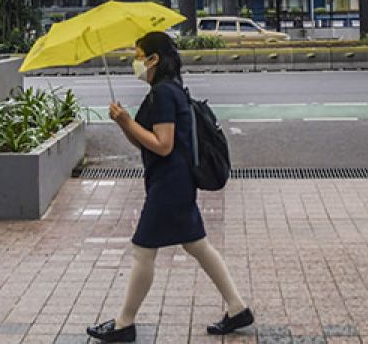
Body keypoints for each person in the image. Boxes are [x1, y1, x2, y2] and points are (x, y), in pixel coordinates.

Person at [87, 32, 253, 342]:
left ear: (154, 59)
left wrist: (127, 122)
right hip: (174, 182)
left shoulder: (164, 94)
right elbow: (142, 140)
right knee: (197, 245)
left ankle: (124, 323)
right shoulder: (165, 90)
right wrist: (124, 122)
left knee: (142, 251)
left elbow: (163, 146)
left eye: (139, 55)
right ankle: (237, 307)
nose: (134, 62)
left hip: (169, 185)